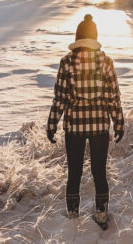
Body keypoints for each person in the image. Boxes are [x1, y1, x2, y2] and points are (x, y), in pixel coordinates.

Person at [46, 13, 125, 229]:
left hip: (74, 127)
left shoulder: (67, 62)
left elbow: (60, 98)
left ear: (78, 36)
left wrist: (52, 125)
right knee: (99, 171)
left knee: (74, 172)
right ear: (95, 37)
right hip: (100, 126)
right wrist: (118, 123)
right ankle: (101, 214)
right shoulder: (106, 62)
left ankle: (73, 215)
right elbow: (113, 97)